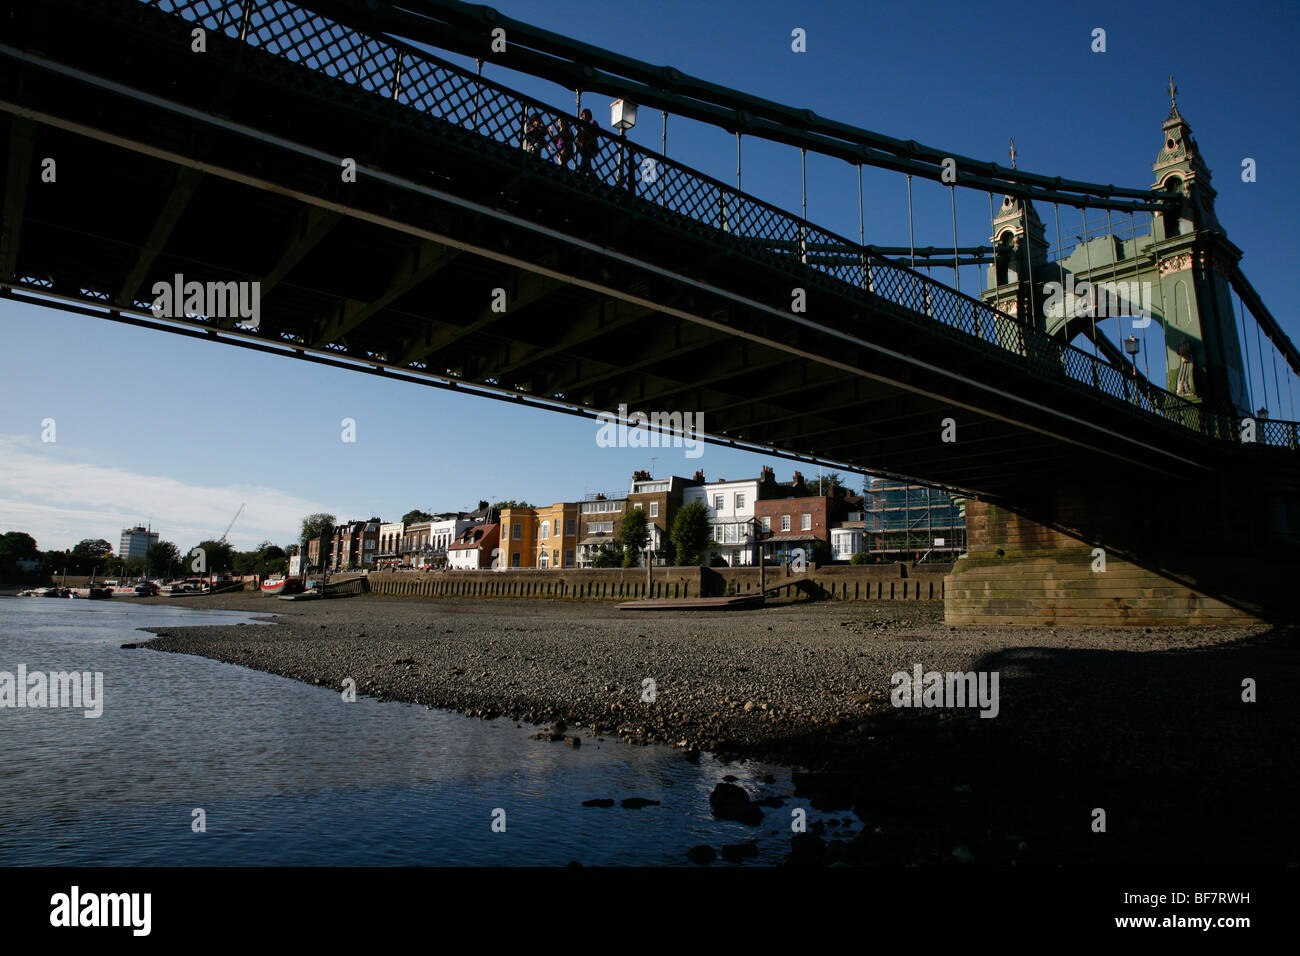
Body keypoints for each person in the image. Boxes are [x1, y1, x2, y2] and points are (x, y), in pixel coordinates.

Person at [575, 108, 600, 175]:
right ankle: (589, 174)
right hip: (583, 145)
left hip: (590, 144)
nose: (585, 116)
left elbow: (597, 133)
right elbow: (578, 134)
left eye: (587, 114)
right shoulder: (580, 124)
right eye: (584, 114)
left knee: (585, 159)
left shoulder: (593, 122)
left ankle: (583, 173)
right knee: (586, 160)